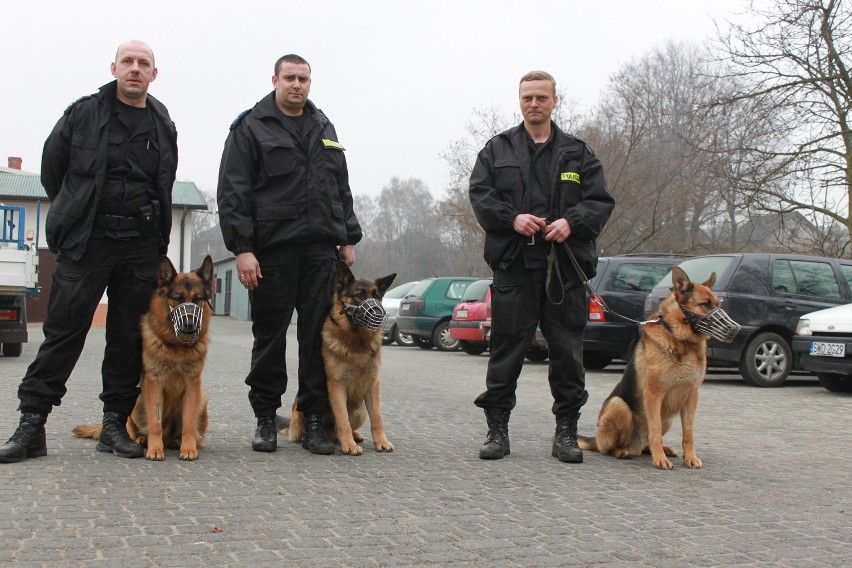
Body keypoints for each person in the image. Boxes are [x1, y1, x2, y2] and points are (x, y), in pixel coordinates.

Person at [0, 40, 178, 463]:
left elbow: (163, 183)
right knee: (63, 333)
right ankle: (31, 425)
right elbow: (52, 170)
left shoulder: (163, 124)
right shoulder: (83, 114)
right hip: (87, 241)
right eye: (128, 62)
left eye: (144, 64)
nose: (135, 69)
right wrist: (74, 209)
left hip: (139, 245)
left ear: (155, 74)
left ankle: (113, 425)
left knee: (126, 338)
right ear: (114, 67)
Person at [217, 54, 362, 455]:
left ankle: (312, 419)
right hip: (272, 251)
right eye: (290, 78)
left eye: (303, 78)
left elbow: (341, 186)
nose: (297, 84)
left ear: (310, 82)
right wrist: (242, 249)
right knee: (270, 335)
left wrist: (348, 237)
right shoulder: (250, 126)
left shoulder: (323, 125)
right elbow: (233, 192)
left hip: (320, 250)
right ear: (275, 80)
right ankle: (266, 416)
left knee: (318, 337)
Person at [469, 70, 615, 463]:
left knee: (568, 353)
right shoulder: (496, 150)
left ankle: (565, 432)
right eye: (528, 98)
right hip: (514, 267)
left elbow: (599, 201)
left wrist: (573, 222)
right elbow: (480, 197)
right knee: (505, 352)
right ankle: (497, 431)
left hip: (562, 270)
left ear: (555, 101)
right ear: (520, 101)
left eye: (541, 98)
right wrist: (511, 218)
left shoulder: (577, 153)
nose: (534, 104)